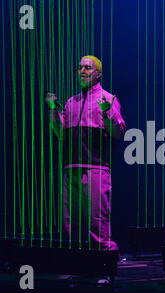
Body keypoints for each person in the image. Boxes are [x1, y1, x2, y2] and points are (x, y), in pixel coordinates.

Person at [45, 56, 126, 280]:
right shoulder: (71, 102)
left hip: (96, 167)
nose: (82, 71)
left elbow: (118, 132)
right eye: (79, 67)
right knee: (69, 223)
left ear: (98, 73)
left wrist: (108, 111)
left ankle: (105, 270)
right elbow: (61, 133)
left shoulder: (108, 98)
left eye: (87, 67)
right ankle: (73, 268)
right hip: (70, 167)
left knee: (97, 223)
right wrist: (53, 109)